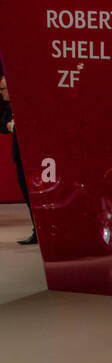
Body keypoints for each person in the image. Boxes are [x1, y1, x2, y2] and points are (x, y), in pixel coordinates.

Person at [0, 74, 36, 245]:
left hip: (34, 157)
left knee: (36, 195)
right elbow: (3, 126)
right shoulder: (9, 108)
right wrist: (9, 125)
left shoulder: (27, 105)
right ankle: (36, 230)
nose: (1, 93)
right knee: (27, 195)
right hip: (20, 157)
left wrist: (16, 125)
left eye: (3, 89)